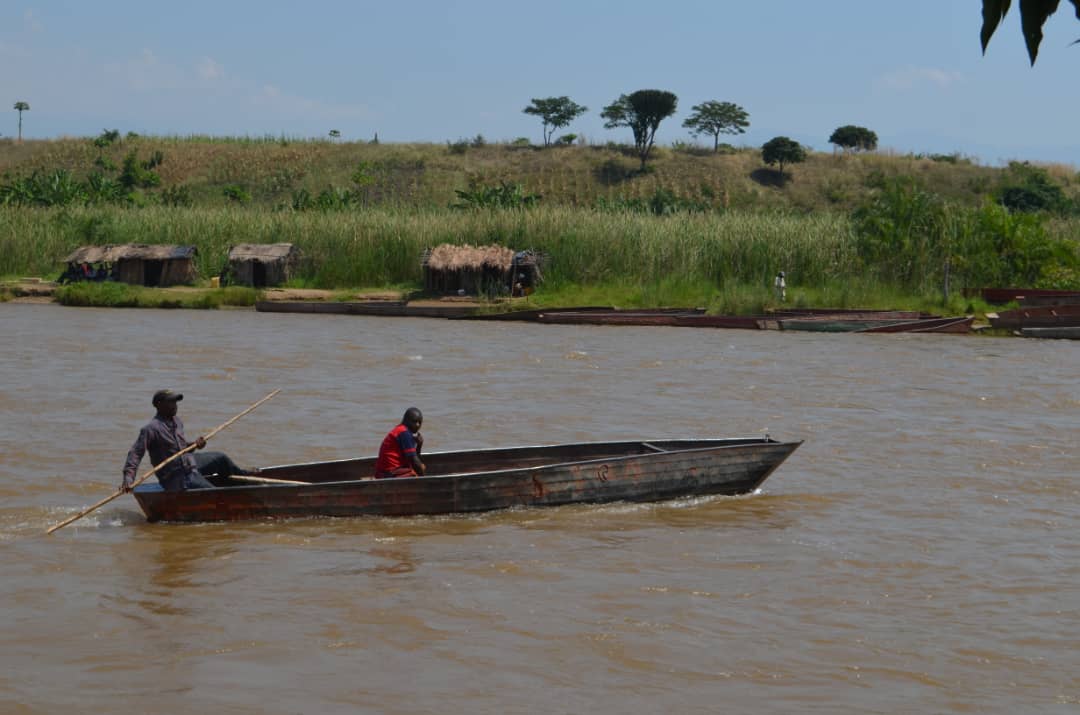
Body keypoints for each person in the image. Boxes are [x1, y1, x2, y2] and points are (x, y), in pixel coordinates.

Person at [121, 390, 214, 493]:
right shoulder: (151, 429)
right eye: (171, 402)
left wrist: (195, 445)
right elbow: (135, 454)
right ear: (159, 405)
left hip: (190, 467)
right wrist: (128, 479)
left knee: (221, 459)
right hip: (178, 478)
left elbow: (181, 448)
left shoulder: (177, 422)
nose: (175, 405)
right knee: (215, 492)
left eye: (175, 402)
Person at [374, 407, 425, 479]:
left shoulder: (402, 430)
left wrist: (419, 445)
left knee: (420, 467)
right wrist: (424, 480)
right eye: (414, 421)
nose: (417, 425)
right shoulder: (404, 433)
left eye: (420, 422)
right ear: (406, 420)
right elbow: (414, 462)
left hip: (386, 472)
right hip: (388, 473)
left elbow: (413, 460)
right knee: (417, 471)